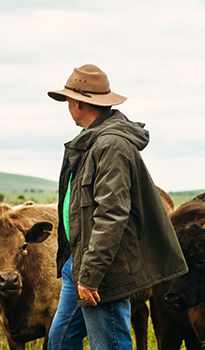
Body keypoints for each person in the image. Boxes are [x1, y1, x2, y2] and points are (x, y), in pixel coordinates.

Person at [46, 64, 188, 350]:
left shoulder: (110, 145)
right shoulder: (90, 142)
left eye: (68, 100)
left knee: (109, 342)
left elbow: (112, 215)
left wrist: (93, 273)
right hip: (80, 258)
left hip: (102, 267)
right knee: (60, 341)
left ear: (77, 102)